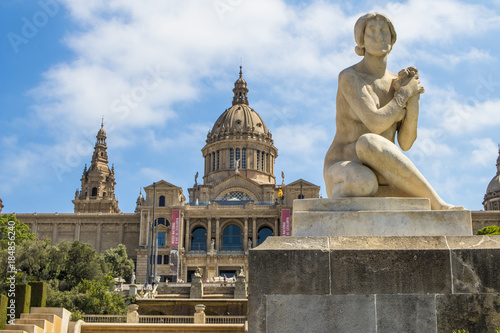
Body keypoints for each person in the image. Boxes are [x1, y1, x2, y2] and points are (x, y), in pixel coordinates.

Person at [323, 12, 459, 210]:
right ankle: (435, 202)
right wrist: (403, 95)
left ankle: (434, 202)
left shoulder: (398, 83)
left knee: (369, 168)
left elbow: (405, 142)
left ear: (392, 38)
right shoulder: (350, 77)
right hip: (345, 168)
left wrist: (413, 100)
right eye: (371, 32)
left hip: (381, 170)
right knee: (366, 151)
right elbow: (375, 124)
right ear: (361, 41)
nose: (379, 36)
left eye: (384, 31)